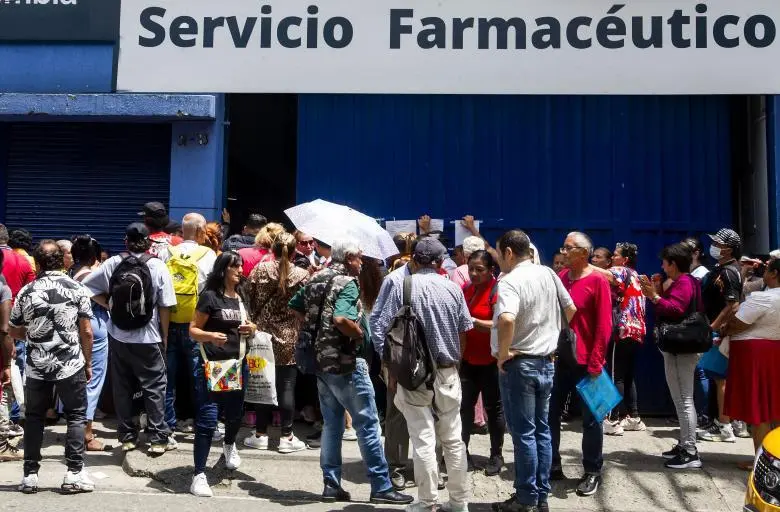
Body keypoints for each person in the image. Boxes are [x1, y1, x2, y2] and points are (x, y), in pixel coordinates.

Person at [289, 239, 412, 506]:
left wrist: (315, 328)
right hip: (347, 363)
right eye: (358, 259)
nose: (361, 263)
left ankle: (331, 485)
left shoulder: (316, 277)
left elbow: (295, 305)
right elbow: (341, 319)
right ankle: (381, 485)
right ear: (348, 259)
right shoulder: (347, 283)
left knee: (332, 425)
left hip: (321, 362)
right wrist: (357, 333)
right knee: (368, 424)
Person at [380, 237, 473, 512]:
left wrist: (390, 371)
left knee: (422, 439)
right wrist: (455, 364)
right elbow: (462, 331)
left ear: (414, 260)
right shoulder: (453, 289)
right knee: (453, 440)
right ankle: (459, 502)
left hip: (412, 374)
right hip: (447, 371)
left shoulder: (402, 286)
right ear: (439, 261)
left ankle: (427, 501)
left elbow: (383, 330)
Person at [490, 230, 576, 512]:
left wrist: (503, 354)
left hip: (521, 364)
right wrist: (549, 334)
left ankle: (526, 499)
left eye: (499, 253)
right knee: (541, 431)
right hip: (546, 362)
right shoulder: (549, 275)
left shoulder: (511, 281)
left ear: (509, 253)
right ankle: (540, 497)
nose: (499, 260)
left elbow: (505, 319)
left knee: (525, 433)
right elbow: (571, 309)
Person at [83, 223, 177, 454]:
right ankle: (157, 438)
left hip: (118, 335)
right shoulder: (157, 266)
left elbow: (87, 287)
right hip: (149, 337)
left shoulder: (114, 263)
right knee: (154, 387)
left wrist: (110, 305)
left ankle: (127, 437)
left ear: (126, 240)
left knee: (122, 387)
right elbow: (165, 305)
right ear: (148, 242)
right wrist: (164, 335)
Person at [9, 241, 95, 493]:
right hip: (70, 363)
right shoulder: (77, 288)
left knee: (35, 418)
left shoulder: (27, 291)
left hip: (37, 365)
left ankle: (30, 476)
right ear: (62, 261)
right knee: (76, 415)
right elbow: (87, 331)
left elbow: (14, 329)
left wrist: (36, 339)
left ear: (37, 263)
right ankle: (73, 473)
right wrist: (87, 362)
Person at [188, 251, 257, 497]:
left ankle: (229, 445)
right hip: (212, 367)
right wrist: (210, 336)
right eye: (234, 266)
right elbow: (193, 330)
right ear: (223, 270)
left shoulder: (241, 296)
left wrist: (252, 328)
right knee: (207, 419)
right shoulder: (210, 297)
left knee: (236, 414)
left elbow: (251, 325)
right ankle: (198, 474)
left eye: (240, 266)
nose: (240, 270)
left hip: (238, 365)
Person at [549, 232, 611, 497]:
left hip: (589, 362)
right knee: (550, 415)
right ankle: (552, 464)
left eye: (568, 248)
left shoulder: (598, 281)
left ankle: (592, 470)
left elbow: (604, 325)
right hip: (561, 359)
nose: (563, 252)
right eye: (563, 247)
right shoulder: (562, 278)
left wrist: (596, 362)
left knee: (592, 420)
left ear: (583, 253)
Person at [639, 243, 704, 469]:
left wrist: (654, 296)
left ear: (673, 264)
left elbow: (676, 310)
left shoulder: (685, 282)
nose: (662, 266)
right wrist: (657, 289)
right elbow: (673, 306)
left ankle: (690, 451)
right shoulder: (685, 282)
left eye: (664, 262)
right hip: (679, 348)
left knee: (684, 399)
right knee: (681, 398)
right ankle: (685, 443)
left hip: (682, 349)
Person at [244, 232, 309, 453]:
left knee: (262, 384)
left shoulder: (260, 270)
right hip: (289, 336)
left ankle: (260, 434)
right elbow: (306, 307)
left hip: (261, 336)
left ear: (272, 250)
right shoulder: (301, 274)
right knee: (286, 387)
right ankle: (286, 437)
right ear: (293, 252)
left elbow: (248, 296)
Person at [722, 257, 780, 459]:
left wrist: (725, 328)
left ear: (774, 274)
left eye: (767, 268)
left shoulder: (763, 297)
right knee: (775, 408)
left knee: (760, 411)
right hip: (774, 350)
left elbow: (738, 323)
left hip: (754, 354)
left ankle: (761, 461)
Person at [165, 213, 217, 435]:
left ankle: (165, 427)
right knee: (200, 378)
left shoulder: (166, 252)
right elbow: (213, 292)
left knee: (167, 379)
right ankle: (206, 425)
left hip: (170, 323)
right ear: (199, 231)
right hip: (196, 326)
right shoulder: (208, 255)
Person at [371, 245, 416, 490]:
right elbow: (377, 321)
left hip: (426, 361)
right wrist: (386, 360)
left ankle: (425, 467)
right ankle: (396, 466)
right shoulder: (395, 281)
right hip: (398, 359)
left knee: (430, 414)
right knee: (397, 413)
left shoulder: (441, 282)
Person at [591, 243, 648, 436]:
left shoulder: (621, 270)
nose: (612, 258)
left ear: (624, 259)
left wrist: (584, 265)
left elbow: (608, 276)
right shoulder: (637, 276)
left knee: (617, 376)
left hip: (622, 330)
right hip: (637, 330)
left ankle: (613, 419)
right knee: (628, 375)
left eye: (615, 255)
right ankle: (634, 417)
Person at [459, 250, 505, 476]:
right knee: (463, 408)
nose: (474, 274)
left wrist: (473, 321)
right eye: (471, 269)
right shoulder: (466, 290)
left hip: (491, 361)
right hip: (468, 360)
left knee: (494, 408)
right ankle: (462, 452)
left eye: (480, 270)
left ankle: (496, 454)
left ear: (491, 270)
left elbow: (499, 324)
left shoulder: (498, 291)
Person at [698, 228, 743, 443]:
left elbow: (733, 305)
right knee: (716, 377)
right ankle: (720, 422)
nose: (714, 246)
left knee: (720, 379)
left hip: (719, 332)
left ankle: (725, 426)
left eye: (719, 243)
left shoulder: (730, 272)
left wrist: (714, 327)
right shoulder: (720, 269)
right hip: (715, 329)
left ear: (729, 249)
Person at [70, 235, 111, 452]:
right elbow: (110, 300)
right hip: (93, 329)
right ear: (95, 256)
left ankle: (75, 429)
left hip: (71, 328)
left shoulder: (70, 273)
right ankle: (86, 434)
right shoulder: (94, 276)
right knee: (91, 380)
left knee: (75, 380)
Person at [0, 224, 35, 431]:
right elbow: (30, 294)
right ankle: (12, 417)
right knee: (14, 368)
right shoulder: (23, 261)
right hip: (14, 324)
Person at [0, 250, 23, 462]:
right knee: (2, 396)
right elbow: (5, 330)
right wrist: (7, 363)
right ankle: (1, 447)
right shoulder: (3, 289)